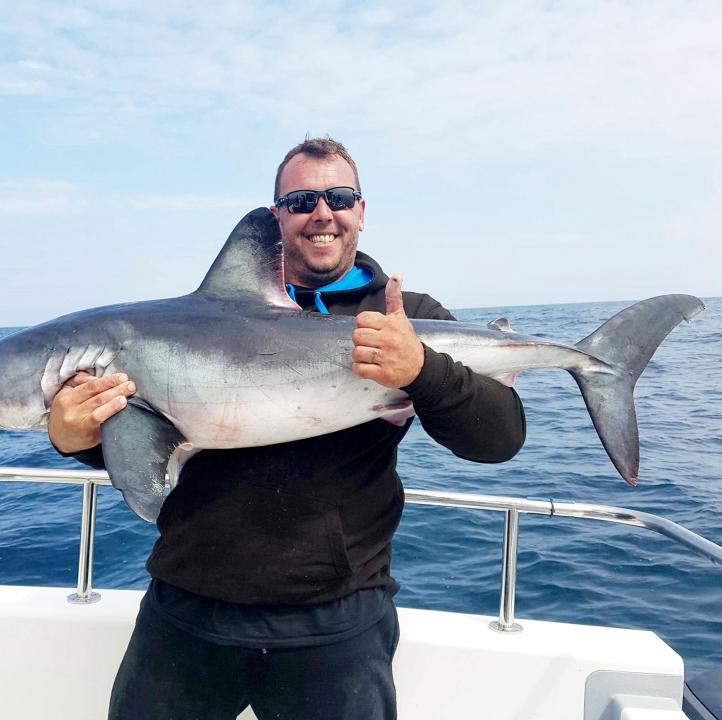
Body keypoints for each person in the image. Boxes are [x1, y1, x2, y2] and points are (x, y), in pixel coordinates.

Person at [49, 138, 526, 720]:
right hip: (188, 608)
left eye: (339, 197)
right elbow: (164, 435)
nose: (321, 212)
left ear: (361, 210)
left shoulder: (402, 316)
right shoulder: (194, 325)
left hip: (339, 620)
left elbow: (499, 441)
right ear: (277, 216)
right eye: (300, 201)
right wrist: (78, 441)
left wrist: (422, 370)